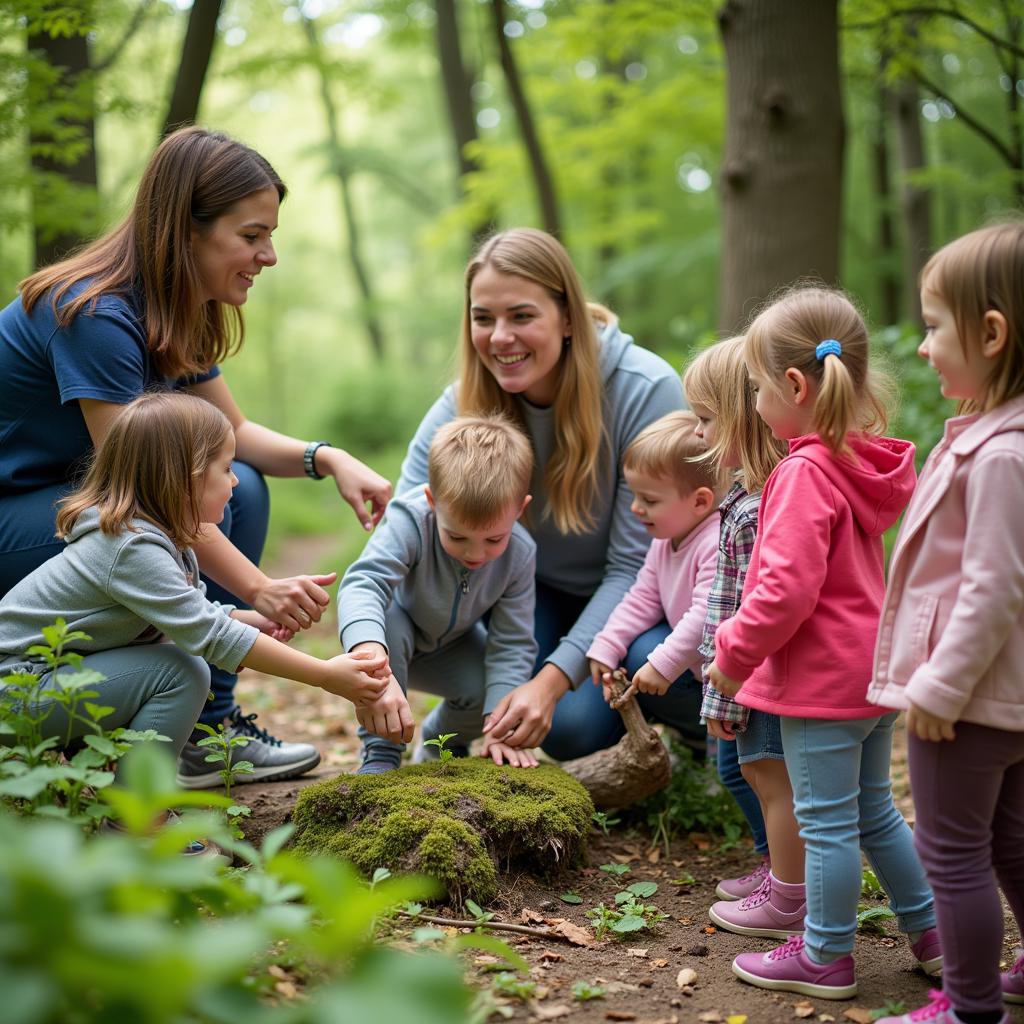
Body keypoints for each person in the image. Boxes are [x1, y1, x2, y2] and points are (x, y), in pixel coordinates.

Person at [0, 126, 392, 785]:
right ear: (187, 228)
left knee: (240, 482)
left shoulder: (175, 309)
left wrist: (330, 458)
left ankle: (204, 726)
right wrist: (260, 590)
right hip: (20, 518)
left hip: (76, 510)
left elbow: (234, 434)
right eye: (251, 235)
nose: (268, 254)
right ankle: (190, 733)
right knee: (179, 511)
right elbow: (148, 492)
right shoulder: (96, 313)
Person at [708, 286, 940, 1000]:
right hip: (871, 675)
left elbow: (783, 592)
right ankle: (934, 934)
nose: (751, 403)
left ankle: (825, 955)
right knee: (873, 811)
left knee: (828, 823)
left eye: (754, 387)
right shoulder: (856, 460)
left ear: (795, 386)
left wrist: (731, 653)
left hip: (821, 684)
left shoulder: (803, 472)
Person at [395, 228, 690, 761]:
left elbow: (632, 566)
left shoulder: (644, 389)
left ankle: (695, 734)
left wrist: (551, 682)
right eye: (483, 317)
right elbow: (408, 519)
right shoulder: (464, 399)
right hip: (535, 592)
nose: (499, 336)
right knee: (546, 723)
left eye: (521, 316)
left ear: (569, 317)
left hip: (647, 598)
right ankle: (451, 733)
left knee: (576, 712)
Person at [0, 394, 388, 796]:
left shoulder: (159, 537)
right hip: (17, 689)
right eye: (226, 468)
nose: (236, 480)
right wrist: (325, 675)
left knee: (180, 660)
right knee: (182, 671)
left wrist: (260, 621)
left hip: (41, 684)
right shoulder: (130, 547)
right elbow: (211, 635)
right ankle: (138, 820)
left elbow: (196, 615)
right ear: (187, 477)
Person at [868, 223, 1024, 1024]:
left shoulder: (1001, 454)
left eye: (934, 326)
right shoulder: (993, 440)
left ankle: (968, 1009)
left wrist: (939, 683)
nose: (924, 347)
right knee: (1012, 846)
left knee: (953, 854)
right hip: (1004, 699)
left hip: (968, 702)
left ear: (991, 334)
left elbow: (996, 587)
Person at [337, 414, 538, 773]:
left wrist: (500, 727)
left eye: (494, 539)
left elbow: (512, 642)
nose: (475, 554)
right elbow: (364, 582)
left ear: (520, 510)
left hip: (453, 645)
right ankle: (381, 752)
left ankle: (441, 742)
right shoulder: (410, 518)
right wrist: (368, 648)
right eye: (457, 536)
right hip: (394, 637)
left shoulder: (521, 554)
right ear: (432, 500)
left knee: (489, 691)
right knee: (387, 620)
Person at [682, 338, 801, 920]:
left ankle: (788, 888)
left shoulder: (759, 510)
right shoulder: (742, 497)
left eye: (706, 418)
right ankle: (778, 868)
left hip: (754, 677)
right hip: (734, 674)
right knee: (740, 770)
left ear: (742, 415)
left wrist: (727, 685)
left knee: (764, 773)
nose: (698, 434)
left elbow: (759, 606)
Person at [586, 411, 720, 727]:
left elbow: (707, 614)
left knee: (647, 655)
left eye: (649, 499)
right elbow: (643, 597)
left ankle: (700, 737)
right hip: (693, 668)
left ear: (700, 502)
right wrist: (608, 643)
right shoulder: (666, 538)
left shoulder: (714, 541)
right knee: (637, 652)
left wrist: (664, 663)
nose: (635, 508)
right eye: (634, 495)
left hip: (719, 678)